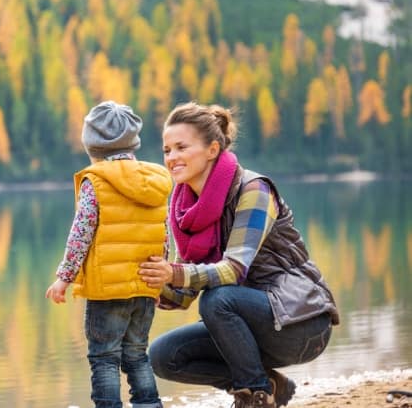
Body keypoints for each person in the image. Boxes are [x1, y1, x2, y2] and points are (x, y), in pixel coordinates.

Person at [137, 101, 340, 408]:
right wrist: (146, 283)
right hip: (247, 324)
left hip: (302, 322)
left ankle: (255, 396)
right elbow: (183, 294)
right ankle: (266, 384)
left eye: (181, 147)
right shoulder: (183, 209)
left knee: (217, 299)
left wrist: (174, 272)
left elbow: (233, 271)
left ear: (212, 149)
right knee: (163, 357)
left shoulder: (254, 190)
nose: (172, 158)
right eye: (167, 150)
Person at [45, 100, 173, 408]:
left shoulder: (96, 182)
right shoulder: (155, 180)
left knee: (104, 357)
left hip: (107, 292)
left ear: (92, 145)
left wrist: (64, 277)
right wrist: (159, 282)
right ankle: (149, 405)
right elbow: (163, 233)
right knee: (136, 354)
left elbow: (81, 233)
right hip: (144, 286)